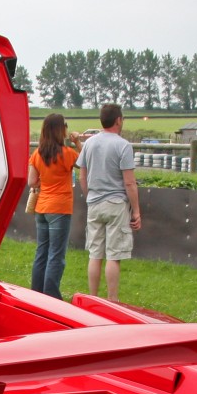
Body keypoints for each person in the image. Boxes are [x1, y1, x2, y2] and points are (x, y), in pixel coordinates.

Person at [76, 103, 140, 301]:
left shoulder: (89, 144)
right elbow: (129, 182)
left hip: (94, 203)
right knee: (114, 255)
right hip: (116, 204)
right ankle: (112, 300)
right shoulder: (123, 146)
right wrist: (136, 211)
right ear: (118, 120)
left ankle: (93, 298)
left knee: (95, 254)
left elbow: (81, 177)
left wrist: (90, 197)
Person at [26, 113, 80, 299]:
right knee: (56, 255)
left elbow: (32, 181)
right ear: (60, 130)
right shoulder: (67, 154)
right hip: (60, 207)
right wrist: (77, 142)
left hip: (42, 208)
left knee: (42, 252)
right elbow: (85, 162)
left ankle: (36, 293)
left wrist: (45, 182)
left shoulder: (37, 153)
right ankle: (51, 296)